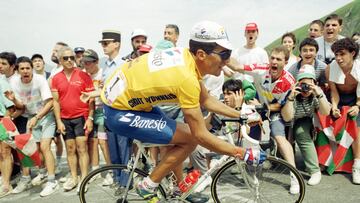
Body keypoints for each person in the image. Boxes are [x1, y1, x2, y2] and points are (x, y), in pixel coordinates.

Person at [90, 21, 266, 202]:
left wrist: (242, 115)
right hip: (118, 111)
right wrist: (242, 153)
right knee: (190, 137)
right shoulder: (186, 78)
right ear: (201, 54)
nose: (227, 61)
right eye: (224, 54)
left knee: (181, 137)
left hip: (128, 101)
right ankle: (148, 184)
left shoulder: (185, 57)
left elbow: (206, 100)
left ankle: (179, 189)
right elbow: (201, 136)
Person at [227, 45, 300, 194]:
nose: (274, 61)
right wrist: (220, 53)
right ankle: (249, 169)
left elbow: (279, 106)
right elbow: (236, 66)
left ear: (285, 63)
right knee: (247, 134)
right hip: (258, 107)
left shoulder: (288, 81)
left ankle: (294, 176)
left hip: (275, 110)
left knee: (279, 138)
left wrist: (262, 106)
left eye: (278, 59)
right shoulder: (261, 69)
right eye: (272, 58)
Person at [6, 56, 58, 196]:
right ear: (17, 70)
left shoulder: (39, 80)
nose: (25, 71)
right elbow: (21, 106)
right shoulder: (15, 83)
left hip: (45, 115)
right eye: (22, 69)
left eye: (28, 68)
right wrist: (14, 100)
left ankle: (52, 181)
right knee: (31, 150)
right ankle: (36, 175)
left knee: (45, 147)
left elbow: (49, 102)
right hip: (29, 117)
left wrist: (37, 117)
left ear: (32, 69)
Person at [51, 47, 95, 192]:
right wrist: (58, 121)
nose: (69, 60)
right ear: (60, 60)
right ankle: (74, 177)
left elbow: (90, 99)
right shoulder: (56, 78)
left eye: (72, 57)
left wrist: (90, 118)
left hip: (81, 117)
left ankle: (84, 179)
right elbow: (56, 102)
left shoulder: (83, 75)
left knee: (82, 148)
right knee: (70, 149)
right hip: (64, 119)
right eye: (66, 58)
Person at [282, 64, 331, 186]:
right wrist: (291, 98)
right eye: (303, 84)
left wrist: (319, 94)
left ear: (314, 83)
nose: (306, 88)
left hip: (303, 121)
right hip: (286, 122)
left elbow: (326, 112)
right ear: (298, 83)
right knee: (282, 157)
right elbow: (287, 117)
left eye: (309, 84)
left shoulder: (316, 93)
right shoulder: (292, 92)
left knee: (301, 133)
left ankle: (315, 171)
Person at [98, 30, 132, 193]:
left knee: (124, 147)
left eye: (107, 43)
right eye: (103, 43)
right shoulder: (105, 65)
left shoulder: (125, 64)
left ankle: (126, 182)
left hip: (121, 112)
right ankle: (118, 178)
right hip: (108, 112)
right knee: (113, 148)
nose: (104, 46)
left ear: (117, 44)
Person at [326, 37, 360, 184]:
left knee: (356, 126)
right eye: (336, 55)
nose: (338, 58)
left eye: (342, 54)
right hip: (340, 100)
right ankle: (327, 160)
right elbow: (334, 92)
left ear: (352, 53)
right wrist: (334, 107)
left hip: (356, 99)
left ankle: (357, 165)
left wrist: (358, 106)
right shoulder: (330, 68)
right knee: (326, 119)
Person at [81, 49, 112, 186]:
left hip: (103, 110)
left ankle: (110, 171)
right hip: (89, 111)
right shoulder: (83, 75)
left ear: (96, 62)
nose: (86, 65)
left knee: (102, 141)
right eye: (84, 62)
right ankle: (95, 170)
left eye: (89, 62)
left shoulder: (103, 73)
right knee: (92, 142)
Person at [0, 78, 15, 198]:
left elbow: (10, 107)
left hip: (2, 120)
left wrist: (5, 123)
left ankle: (6, 184)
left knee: (5, 152)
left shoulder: (2, 82)